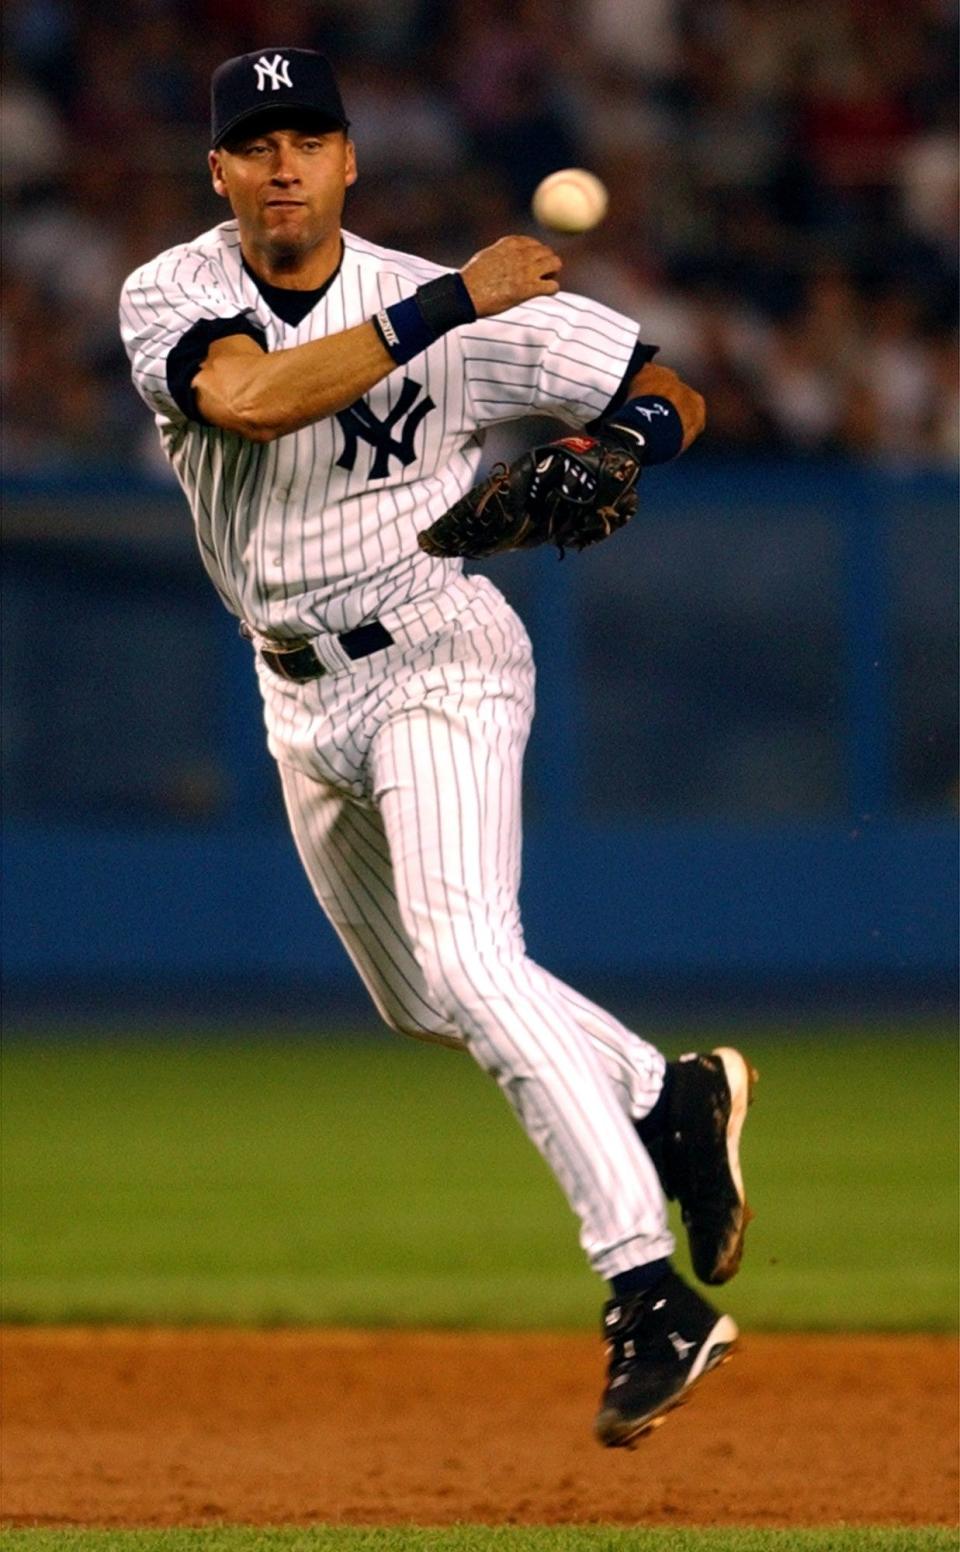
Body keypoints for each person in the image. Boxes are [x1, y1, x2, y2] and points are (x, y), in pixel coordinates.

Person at [120, 46, 756, 1448]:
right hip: (295, 692)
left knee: (473, 958)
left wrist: (623, 448)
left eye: (309, 138)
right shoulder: (177, 291)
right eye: (256, 143)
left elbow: (669, 389)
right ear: (219, 170)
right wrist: (451, 301)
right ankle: (669, 1093)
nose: (284, 163)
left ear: (349, 159)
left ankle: (647, 1293)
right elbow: (250, 399)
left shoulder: (456, 309)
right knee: (424, 997)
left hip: (437, 654)